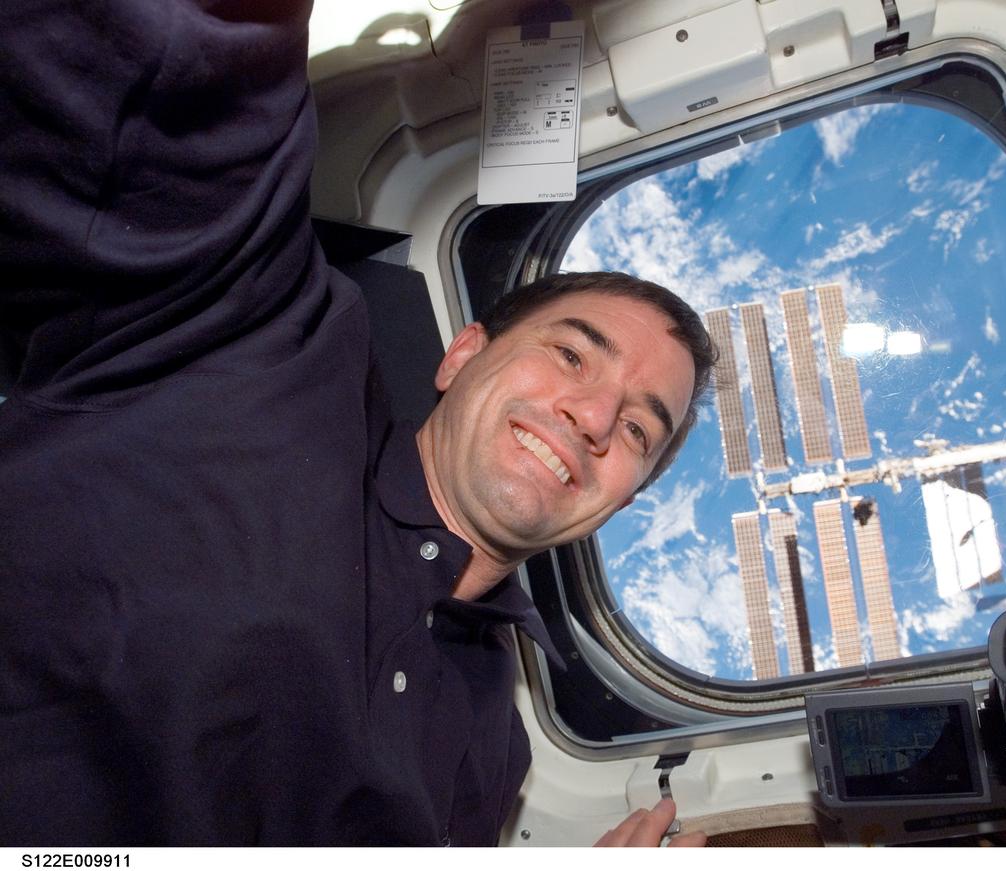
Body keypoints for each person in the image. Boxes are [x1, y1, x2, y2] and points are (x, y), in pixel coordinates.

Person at [0, 0, 710, 846]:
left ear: (622, 502)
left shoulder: (497, 751)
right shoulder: (269, 359)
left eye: (638, 430)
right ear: (462, 355)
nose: (594, 415)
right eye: (570, 354)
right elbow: (174, 115)